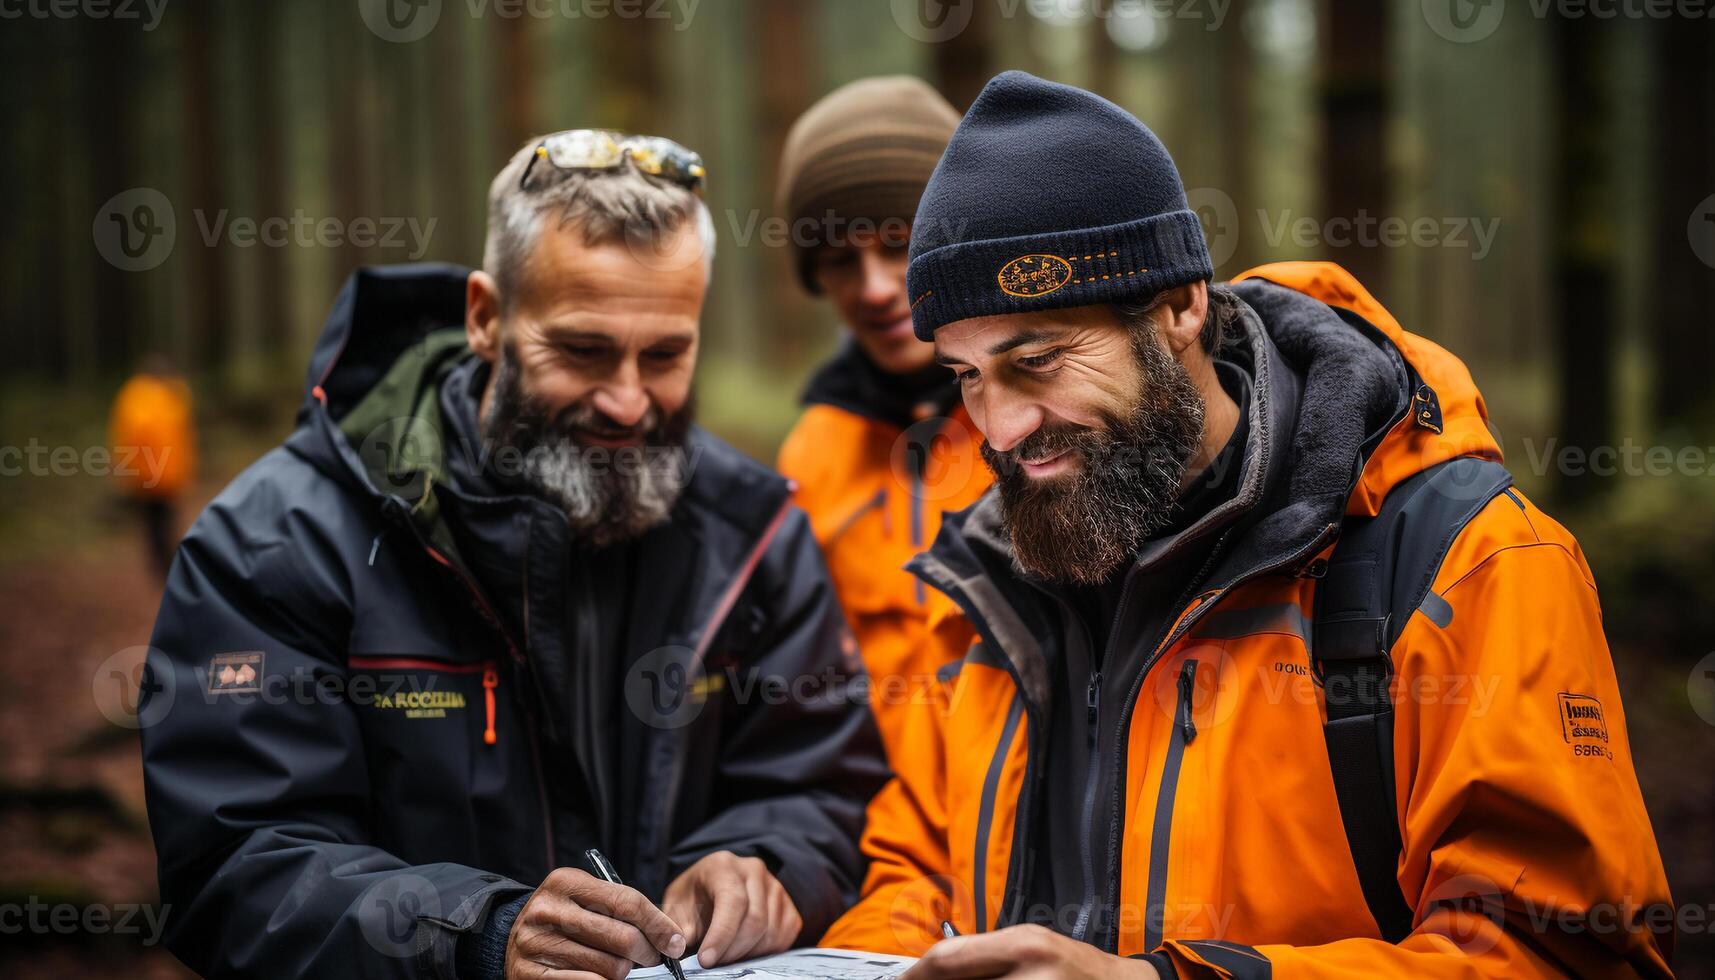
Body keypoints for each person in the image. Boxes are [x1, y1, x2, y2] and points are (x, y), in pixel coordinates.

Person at [820, 72, 1674, 977]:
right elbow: (916, 874)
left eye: (1037, 361)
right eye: (966, 377)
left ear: (1180, 307)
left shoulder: (1463, 564)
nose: (999, 428)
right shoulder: (988, 574)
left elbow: (1563, 952)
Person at [139, 130, 888, 980]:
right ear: (486, 318)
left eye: (667, 354)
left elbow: (821, 783)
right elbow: (231, 864)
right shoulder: (279, 541)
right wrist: (476, 937)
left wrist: (767, 863)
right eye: (582, 350)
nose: (628, 400)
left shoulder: (754, 530)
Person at [774, 77, 992, 762]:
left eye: (898, 245)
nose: (872, 288)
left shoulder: (1049, 419)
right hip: (871, 842)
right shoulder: (811, 456)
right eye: (841, 259)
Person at [108, 354, 195, 580]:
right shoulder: (147, 398)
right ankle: (165, 567)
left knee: (159, 523)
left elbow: (179, 437)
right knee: (157, 524)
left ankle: (165, 566)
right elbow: (137, 437)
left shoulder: (164, 396)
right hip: (153, 475)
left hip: (160, 475)